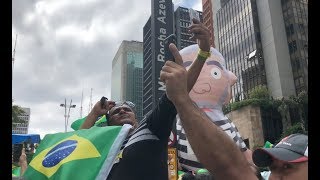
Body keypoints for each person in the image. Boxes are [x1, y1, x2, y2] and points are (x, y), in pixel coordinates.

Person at [80, 18, 211, 180]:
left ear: (136, 118)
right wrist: (94, 113)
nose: (122, 110)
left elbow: (178, 91)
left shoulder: (148, 128)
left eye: (127, 109)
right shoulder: (102, 145)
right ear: (108, 123)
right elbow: (74, 148)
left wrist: (203, 53)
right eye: (115, 112)